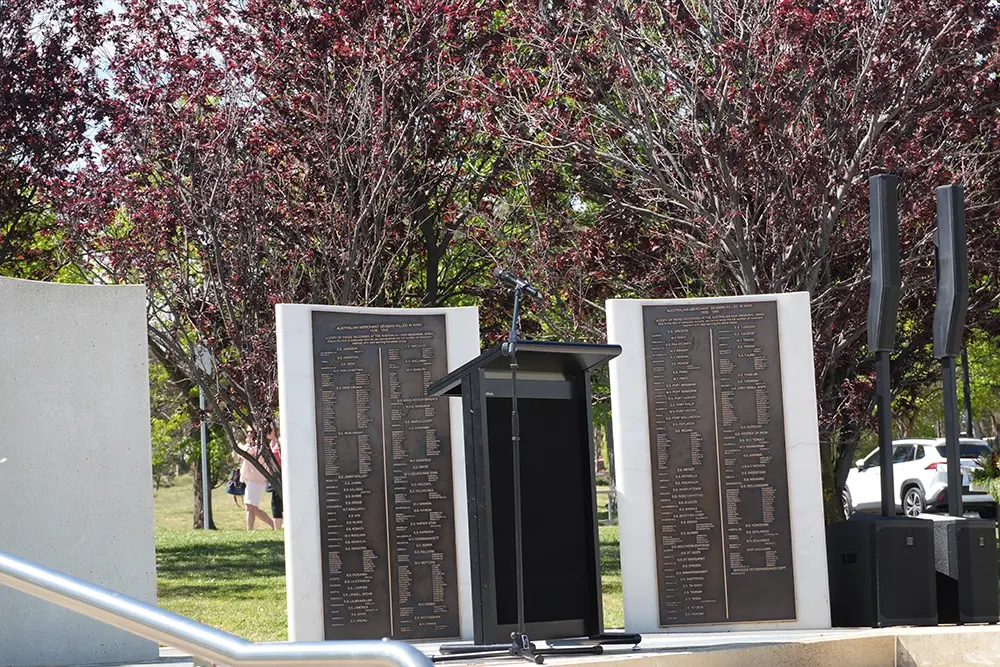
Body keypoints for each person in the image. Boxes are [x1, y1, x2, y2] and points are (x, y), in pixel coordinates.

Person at [237, 429, 274, 530]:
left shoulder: (259, 446)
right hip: (250, 479)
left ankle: (251, 529)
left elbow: (245, 452)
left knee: (250, 506)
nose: (249, 434)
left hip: (256, 479)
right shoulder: (249, 445)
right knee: (251, 507)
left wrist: (238, 444)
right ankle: (271, 525)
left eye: (251, 432)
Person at [267, 427, 284, 530]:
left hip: (281, 474)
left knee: (280, 500)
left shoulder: (280, 440)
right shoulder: (271, 442)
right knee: (275, 501)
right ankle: (277, 527)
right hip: (274, 474)